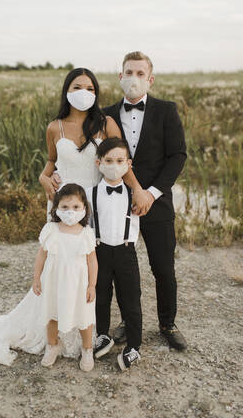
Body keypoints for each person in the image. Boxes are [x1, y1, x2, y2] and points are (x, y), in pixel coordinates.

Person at [103, 51, 188, 350]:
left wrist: (151, 193)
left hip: (157, 202)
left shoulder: (167, 110)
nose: (134, 78)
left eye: (140, 74)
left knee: (163, 268)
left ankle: (167, 323)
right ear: (120, 77)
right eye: (129, 72)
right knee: (123, 270)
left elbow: (178, 156)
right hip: (116, 204)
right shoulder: (106, 114)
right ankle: (129, 321)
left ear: (150, 79)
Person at [0, 184, 98, 372]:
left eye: (76, 207)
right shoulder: (52, 230)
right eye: (65, 207)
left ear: (84, 208)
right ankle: (53, 345)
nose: (71, 212)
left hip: (78, 284)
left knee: (83, 317)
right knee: (52, 314)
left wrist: (92, 285)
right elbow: (41, 256)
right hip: (53, 281)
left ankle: (87, 349)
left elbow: (92, 261)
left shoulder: (86, 233)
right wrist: (36, 278)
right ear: (56, 209)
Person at [39, 67, 151, 217]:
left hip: (98, 200)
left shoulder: (106, 124)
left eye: (90, 89)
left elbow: (121, 162)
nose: (83, 92)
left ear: (95, 94)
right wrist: (43, 178)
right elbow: (52, 160)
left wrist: (137, 189)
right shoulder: (54, 127)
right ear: (67, 91)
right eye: (77, 87)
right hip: (64, 200)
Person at [86, 138, 142, 371]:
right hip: (99, 250)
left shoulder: (134, 194)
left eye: (119, 161)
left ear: (128, 164)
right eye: (108, 161)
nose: (114, 165)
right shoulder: (90, 192)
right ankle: (102, 334)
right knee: (101, 295)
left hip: (126, 251)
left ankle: (134, 346)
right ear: (99, 163)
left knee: (130, 298)